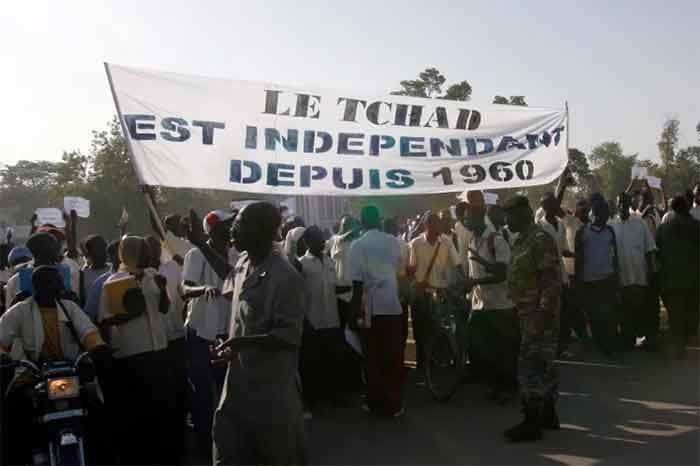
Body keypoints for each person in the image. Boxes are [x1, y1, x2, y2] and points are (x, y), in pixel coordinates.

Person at [186, 202, 307, 465]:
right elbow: (230, 281)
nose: (232, 231)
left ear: (260, 231)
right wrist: (200, 243)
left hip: (271, 397)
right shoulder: (243, 262)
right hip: (238, 391)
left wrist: (240, 342)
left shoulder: (285, 277)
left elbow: (288, 336)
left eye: (239, 225)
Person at [0, 265, 106, 464]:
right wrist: (3, 355)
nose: (54, 287)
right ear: (36, 286)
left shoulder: (69, 307)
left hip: (69, 373)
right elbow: (1, 337)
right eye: (48, 283)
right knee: (13, 411)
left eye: (55, 282)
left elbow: (88, 331)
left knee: (96, 409)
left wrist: (98, 348)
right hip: (33, 374)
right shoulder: (20, 310)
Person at [98, 236, 173, 465]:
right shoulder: (114, 282)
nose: (149, 255)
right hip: (132, 354)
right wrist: (130, 314)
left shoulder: (153, 276)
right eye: (143, 251)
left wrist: (163, 289)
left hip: (158, 349)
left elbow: (163, 309)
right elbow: (105, 321)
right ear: (130, 253)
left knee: (159, 408)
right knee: (137, 410)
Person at [502, 195, 562, 442]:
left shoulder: (539, 239)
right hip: (528, 312)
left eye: (510, 215)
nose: (506, 220)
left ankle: (531, 422)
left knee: (529, 366)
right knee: (544, 365)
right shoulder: (521, 241)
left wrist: (542, 315)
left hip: (538, 314)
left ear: (524, 214)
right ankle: (548, 413)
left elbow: (551, 279)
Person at [181, 209, 235, 463]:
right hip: (202, 332)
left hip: (228, 334)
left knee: (230, 393)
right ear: (212, 230)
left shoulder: (236, 254)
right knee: (204, 395)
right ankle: (204, 449)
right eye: (227, 225)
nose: (231, 228)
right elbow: (184, 288)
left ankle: (229, 445)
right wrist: (204, 288)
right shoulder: (195, 254)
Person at [462, 190, 519, 404]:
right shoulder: (473, 242)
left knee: (504, 349)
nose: (466, 222)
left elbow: (502, 274)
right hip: (480, 305)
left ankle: (508, 388)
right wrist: (468, 287)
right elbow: (473, 274)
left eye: (469, 218)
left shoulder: (495, 240)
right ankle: (495, 385)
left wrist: (474, 282)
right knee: (486, 349)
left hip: (501, 304)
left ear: (479, 216)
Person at [349, 205, 404, 417]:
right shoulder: (392, 241)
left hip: (369, 308)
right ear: (379, 220)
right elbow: (398, 269)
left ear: (361, 222)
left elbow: (357, 284)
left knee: (372, 357)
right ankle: (394, 403)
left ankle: (375, 402)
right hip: (391, 305)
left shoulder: (357, 245)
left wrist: (353, 313)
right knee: (393, 356)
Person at [408, 212, 461, 374]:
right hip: (420, 294)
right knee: (420, 330)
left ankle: (438, 363)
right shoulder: (415, 244)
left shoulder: (446, 241)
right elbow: (410, 269)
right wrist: (417, 282)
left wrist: (459, 284)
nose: (439, 226)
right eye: (435, 223)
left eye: (439, 223)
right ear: (427, 226)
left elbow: (457, 263)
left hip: (440, 292)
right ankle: (422, 364)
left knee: (439, 329)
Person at [298, 226, 344, 411]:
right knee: (312, 363)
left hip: (331, 319)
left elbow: (333, 288)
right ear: (307, 242)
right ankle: (311, 401)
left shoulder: (330, 262)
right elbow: (297, 294)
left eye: (322, 239)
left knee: (332, 361)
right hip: (312, 321)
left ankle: (333, 396)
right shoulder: (301, 264)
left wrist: (353, 288)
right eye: (317, 240)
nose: (322, 242)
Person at [610, 193, 657, 350]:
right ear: (617, 205)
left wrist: (651, 272)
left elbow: (649, 250)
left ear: (630, 204)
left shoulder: (640, 223)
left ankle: (645, 339)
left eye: (625, 203)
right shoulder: (612, 225)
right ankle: (627, 339)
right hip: (622, 278)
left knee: (641, 310)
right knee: (625, 312)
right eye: (620, 203)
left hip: (639, 276)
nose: (622, 206)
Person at [575, 194, 620, 356]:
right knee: (595, 316)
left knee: (609, 315)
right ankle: (600, 343)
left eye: (606, 212)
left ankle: (610, 344)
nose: (605, 215)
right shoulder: (582, 232)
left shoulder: (610, 231)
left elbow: (614, 257)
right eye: (602, 212)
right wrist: (579, 285)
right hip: (590, 283)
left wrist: (617, 277)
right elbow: (578, 261)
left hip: (607, 280)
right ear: (594, 212)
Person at [656, 196, 700, 359]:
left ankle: (679, 345)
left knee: (675, 314)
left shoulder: (663, 228)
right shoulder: (696, 226)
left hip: (671, 280)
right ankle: (688, 337)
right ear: (687, 208)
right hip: (694, 280)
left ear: (673, 210)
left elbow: (656, 251)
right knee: (691, 311)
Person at [84, 240, 120, 323]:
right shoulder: (101, 282)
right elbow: (90, 314)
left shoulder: (137, 276)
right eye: (98, 250)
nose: (102, 253)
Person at [78, 235, 111, 306]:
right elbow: (82, 300)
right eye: (98, 249)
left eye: (104, 249)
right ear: (88, 254)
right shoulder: (82, 274)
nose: (103, 253)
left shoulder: (114, 269)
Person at [454, 201, 472, 271]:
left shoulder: (473, 226)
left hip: (473, 263)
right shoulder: (457, 226)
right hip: (462, 264)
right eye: (458, 213)